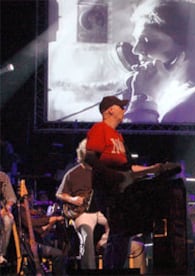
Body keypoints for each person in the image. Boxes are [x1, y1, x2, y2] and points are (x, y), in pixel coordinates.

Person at [84, 95, 159, 269]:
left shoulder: (118, 136)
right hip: (107, 190)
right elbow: (90, 158)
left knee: (123, 232)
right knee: (119, 231)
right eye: (121, 107)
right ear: (110, 110)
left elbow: (128, 167)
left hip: (120, 191)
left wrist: (153, 169)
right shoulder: (99, 129)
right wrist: (113, 176)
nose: (124, 111)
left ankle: (116, 268)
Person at [56, 139, 110, 270]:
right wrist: (73, 199)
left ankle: (104, 243)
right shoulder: (72, 173)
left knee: (119, 224)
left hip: (100, 210)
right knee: (86, 233)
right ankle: (89, 269)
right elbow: (59, 194)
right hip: (83, 212)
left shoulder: (102, 172)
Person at [19, 191, 66, 275]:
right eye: (32, 197)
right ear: (28, 198)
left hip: (35, 243)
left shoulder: (27, 211)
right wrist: (50, 219)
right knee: (58, 254)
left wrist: (51, 222)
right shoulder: (21, 211)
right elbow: (33, 223)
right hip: (30, 246)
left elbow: (40, 231)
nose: (33, 200)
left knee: (59, 252)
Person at [0, 171, 17, 265]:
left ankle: (1, 254)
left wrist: (7, 207)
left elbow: (11, 198)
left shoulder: (2, 177)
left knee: (8, 220)